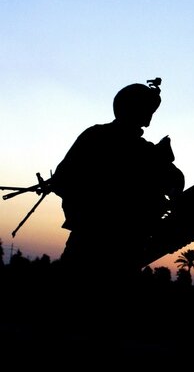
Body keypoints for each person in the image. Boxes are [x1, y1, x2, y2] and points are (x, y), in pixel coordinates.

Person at [51, 78, 185, 291]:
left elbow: (61, 180)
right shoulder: (137, 149)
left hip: (100, 242)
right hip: (108, 244)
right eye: (146, 110)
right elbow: (63, 180)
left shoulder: (99, 137)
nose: (149, 117)